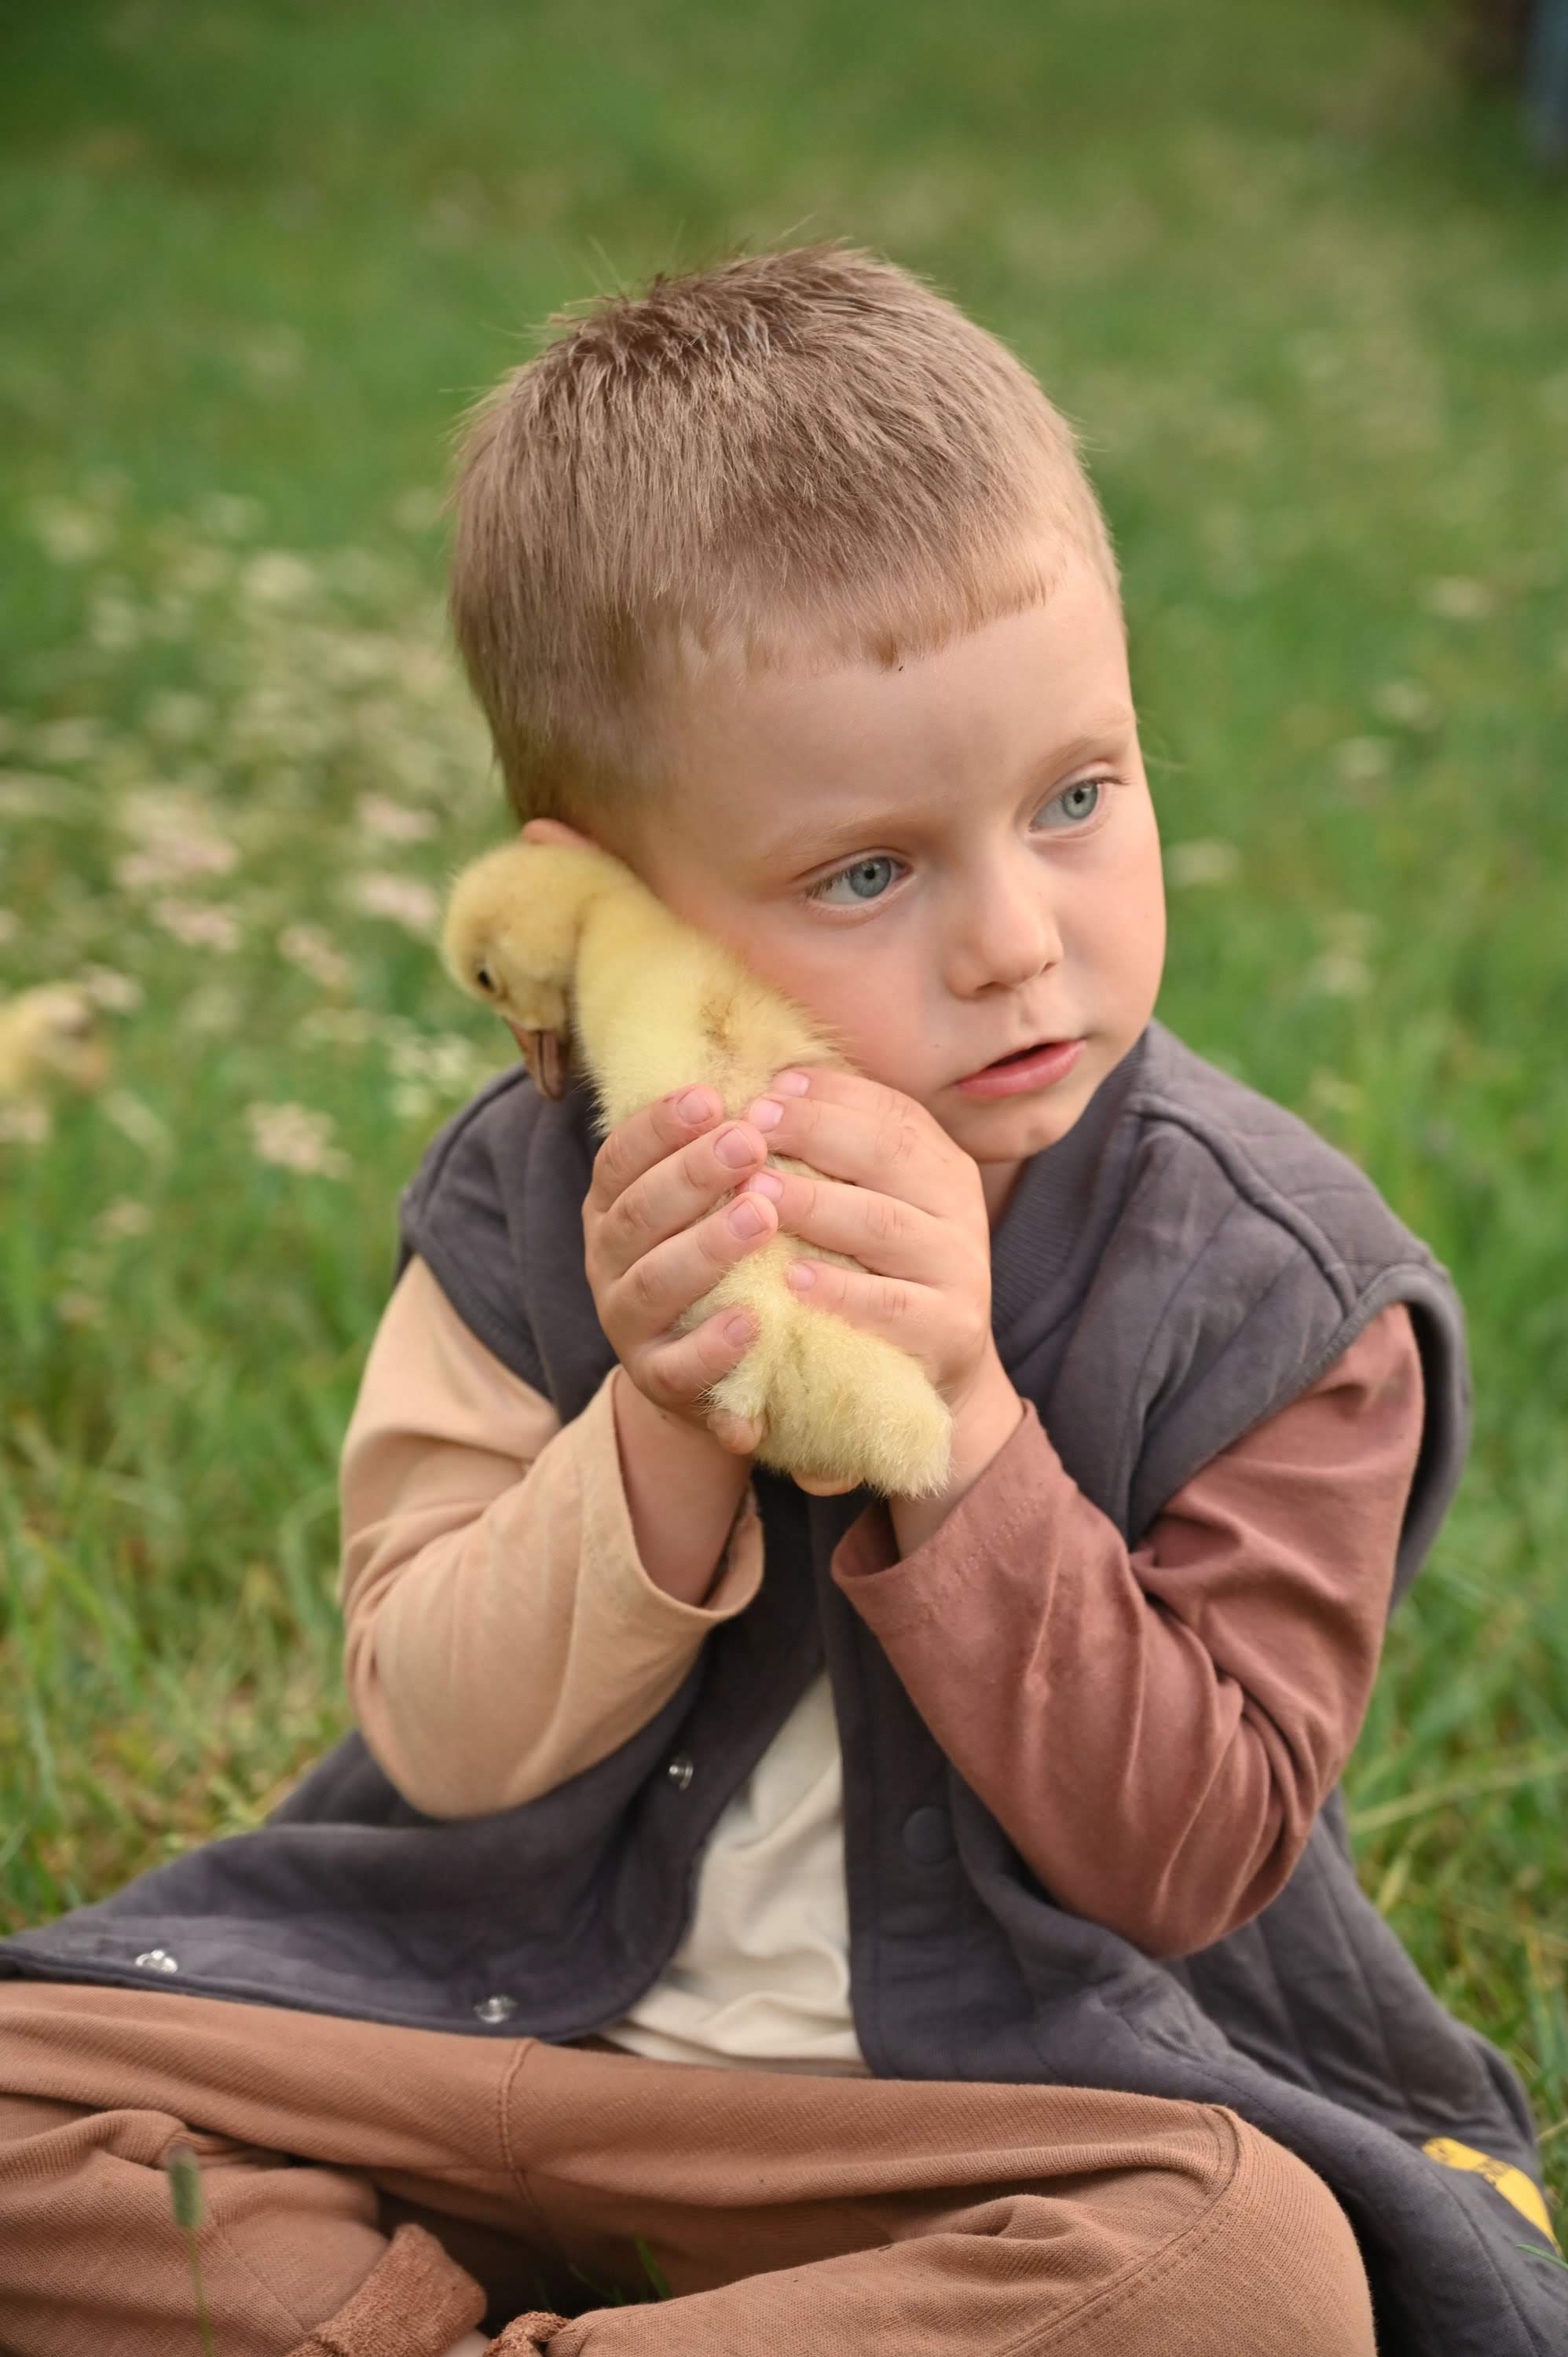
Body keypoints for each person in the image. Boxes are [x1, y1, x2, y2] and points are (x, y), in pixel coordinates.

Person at [0, 244, 1561, 2357]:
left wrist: (967, 1429)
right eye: (868, 871)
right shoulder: (529, 1194)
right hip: (471, 2040)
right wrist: (656, 1415)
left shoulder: (1275, 1288)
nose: (1016, 941)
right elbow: (437, 1737)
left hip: (991, 2121)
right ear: (611, 899)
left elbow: (1188, 1855)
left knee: (1252, 2281)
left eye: (1076, 798)